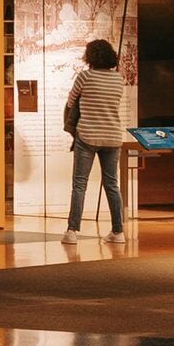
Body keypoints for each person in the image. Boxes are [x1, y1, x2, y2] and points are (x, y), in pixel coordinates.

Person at [63, 39, 133, 236]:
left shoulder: (85, 77)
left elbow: (71, 101)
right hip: (112, 136)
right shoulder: (118, 79)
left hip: (87, 136)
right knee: (112, 185)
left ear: (90, 56)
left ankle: (72, 231)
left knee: (79, 185)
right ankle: (118, 232)